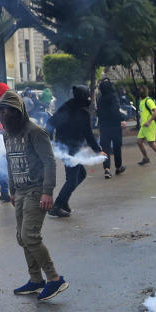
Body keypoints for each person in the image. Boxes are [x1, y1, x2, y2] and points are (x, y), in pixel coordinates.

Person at [0, 90, 68, 302]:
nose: (3, 116)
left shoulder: (36, 132)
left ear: (19, 112)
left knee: (30, 236)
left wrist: (48, 192)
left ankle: (54, 278)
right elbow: (9, 161)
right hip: (19, 190)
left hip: (37, 190)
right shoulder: (7, 134)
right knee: (21, 238)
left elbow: (49, 162)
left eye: (8, 111)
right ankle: (36, 280)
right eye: (0, 112)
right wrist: (11, 189)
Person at [45, 85, 105, 218]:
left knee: (81, 174)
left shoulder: (66, 107)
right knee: (72, 179)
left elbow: (50, 123)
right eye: (88, 95)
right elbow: (89, 135)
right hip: (69, 150)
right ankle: (57, 205)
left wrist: (50, 141)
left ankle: (64, 201)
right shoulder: (82, 114)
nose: (90, 98)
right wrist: (98, 150)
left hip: (65, 149)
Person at [96, 78, 126, 179]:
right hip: (115, 126)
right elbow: (115, 110)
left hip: (104, 126)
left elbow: (98, 113)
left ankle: (107, 170)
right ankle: (118, 167)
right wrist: (122, 119)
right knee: (117, 147)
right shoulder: (113, 97)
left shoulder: (100, 99)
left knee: (105, 148)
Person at [136, 85, 156, 166]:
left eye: (141, 91)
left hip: (150, 125)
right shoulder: (141, 101)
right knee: (139, 142)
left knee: (151, 143)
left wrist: (149, 121)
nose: (139, 92)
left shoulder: (148, 101)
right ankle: (146, 158)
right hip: (144, 126)